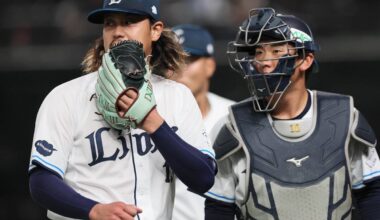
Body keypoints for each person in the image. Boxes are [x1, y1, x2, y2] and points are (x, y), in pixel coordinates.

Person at [28, 0, 216, 219]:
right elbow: (41, 181)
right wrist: (92, 209)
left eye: (129, 22)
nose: (118, 32)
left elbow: (203, 178)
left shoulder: (177, 97)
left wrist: (153, 123)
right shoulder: (66, 97)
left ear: (155, 31)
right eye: (110, 23)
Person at [204, 8, 380, 220]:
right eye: (259, 52)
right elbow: (219, 207)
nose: (264, 61)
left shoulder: (343, 117)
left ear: (305, 60)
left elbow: (372, 193)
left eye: (276, 51)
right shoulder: (234, 127)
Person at [170, 25, 235, 220]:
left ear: (210, 66)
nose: (179, 69)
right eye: (172, 60)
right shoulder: (147, 120)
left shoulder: (233, 117)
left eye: (189, 60)